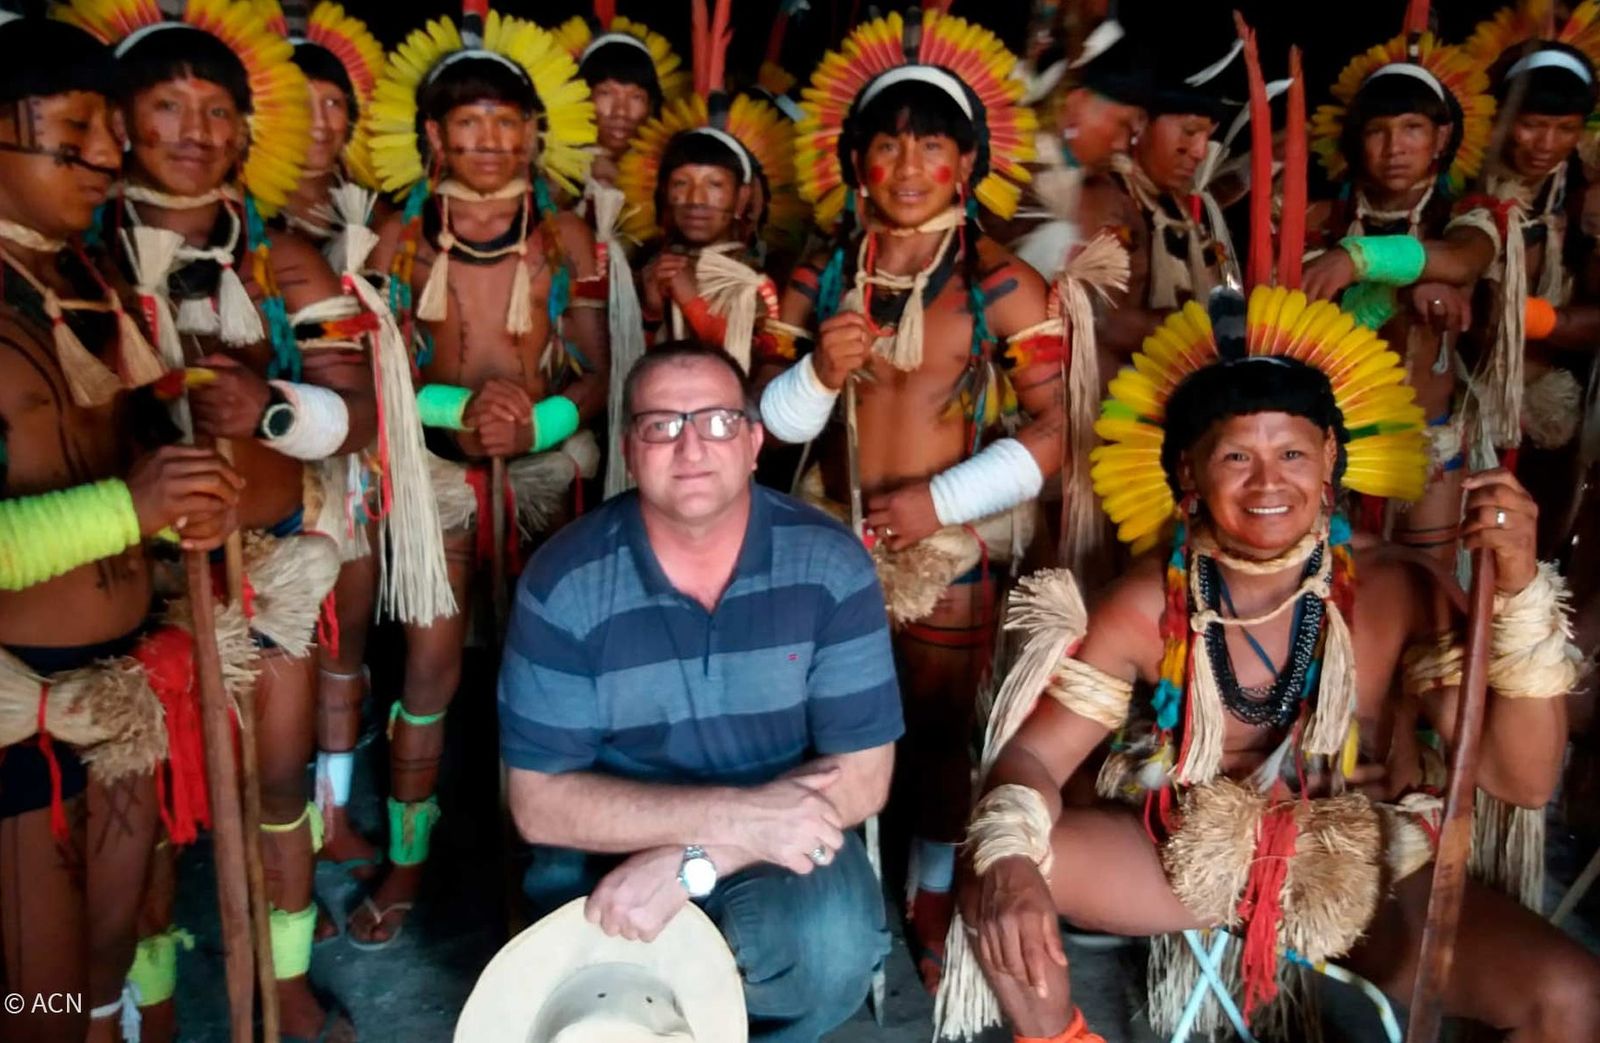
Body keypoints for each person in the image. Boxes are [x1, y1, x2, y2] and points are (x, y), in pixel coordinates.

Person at [936, 33, 1599, 1035]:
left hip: (1363, 861)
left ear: (1332, 466)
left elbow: (1521, 775)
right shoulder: (1149, 600)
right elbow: (1030, 762)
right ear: (1189, 482)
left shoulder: (1391, 590)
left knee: (1569, 991)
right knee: (999, 874)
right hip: (1191, 857)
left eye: (1292, 454)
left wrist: (1516, 602)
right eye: (1234, 458)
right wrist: (1011, 859)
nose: (1267, 483)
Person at [63, 0, 387, 1034]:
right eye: (166, 105)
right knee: (143, 819)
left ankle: (282, 974)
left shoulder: (281, 259)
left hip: (273, 572)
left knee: (277, 779)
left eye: (215, 108)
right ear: (118, 122)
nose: (194, 129)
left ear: (250, 130)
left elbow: (361, 409)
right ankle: (148, 1002)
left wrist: (275, 410)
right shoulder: (80, 262)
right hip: (132, 587)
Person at [758, 7, 1061, 993]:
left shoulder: (1004, 282)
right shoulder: (817, 273)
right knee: (824, 725)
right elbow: (761, 427)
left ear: (967, 162)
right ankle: (827, 892)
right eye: (886, 144)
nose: (907, 164)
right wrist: (813, 372)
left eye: (930, 145)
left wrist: (942, 500)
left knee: (937, 733)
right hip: (827, 542)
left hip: (947, 553)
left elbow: (1059, 431)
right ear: (855, 161)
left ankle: (932, 891)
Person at [499, 342, 901, 1043]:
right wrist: (731, 823)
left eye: (717, 422)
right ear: (628, 448)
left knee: (831, 944)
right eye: (662, 425)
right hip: (606, 842)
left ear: (753, 442)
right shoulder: (564, 580)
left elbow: (864, 779)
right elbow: (537, 803)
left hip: (776, 843)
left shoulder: (830, 563)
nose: (690, 446)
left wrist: (696, 860)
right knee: (600, 1011)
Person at [0, 17, 242, 1042]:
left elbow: (132, 448)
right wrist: (128, 508)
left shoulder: (86, 277)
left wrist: (193, 480)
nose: (108, 154)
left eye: (108, 130)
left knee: (106, 953)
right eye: (74, 132)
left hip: (121, 685)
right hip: (22, 710)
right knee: (39, 992)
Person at [357, 1, 607, 949]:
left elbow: (599, 370)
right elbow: (368, 362)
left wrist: (532, 417)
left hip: (545, 476)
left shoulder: (568, 237)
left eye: (507, 123)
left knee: (544, 669)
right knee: (429, 665)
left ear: (536, 133)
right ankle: (411, 858)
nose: (490, 142)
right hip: (433, 478)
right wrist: (452, 411)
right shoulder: (400, 233)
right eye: (468, 124)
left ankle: (543, 857)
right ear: (432, 134)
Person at [1302, 20, 1497, 563]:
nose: (1395, 147)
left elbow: (1459, 260)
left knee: (1426, 591)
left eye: (1413, 128)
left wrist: (1359, 259)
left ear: (1441, 138)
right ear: (1356, 140)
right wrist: (1385, 290)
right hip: (1329, 438)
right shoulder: (1318, 220)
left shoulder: (1467, 217)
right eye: (1378, 131)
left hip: (1427, 439)